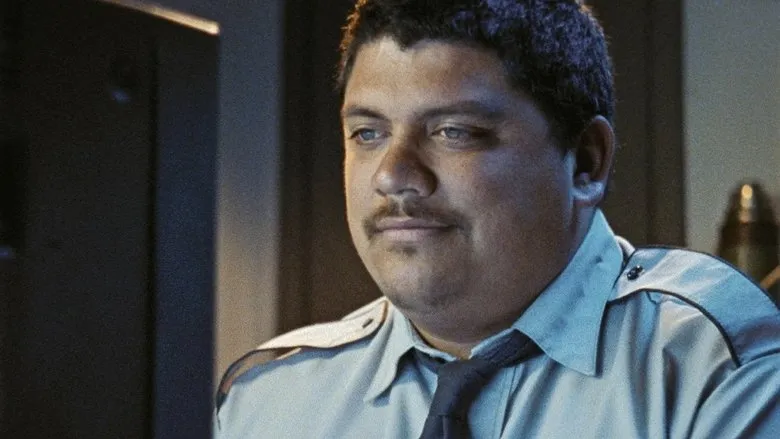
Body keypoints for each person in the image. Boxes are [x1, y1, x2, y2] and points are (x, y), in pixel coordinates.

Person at [214, 0, 780, 437]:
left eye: (454, 132)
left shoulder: (713, 369)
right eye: (367, 133)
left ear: (586, 162)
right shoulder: (268, 402)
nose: (392, 175)